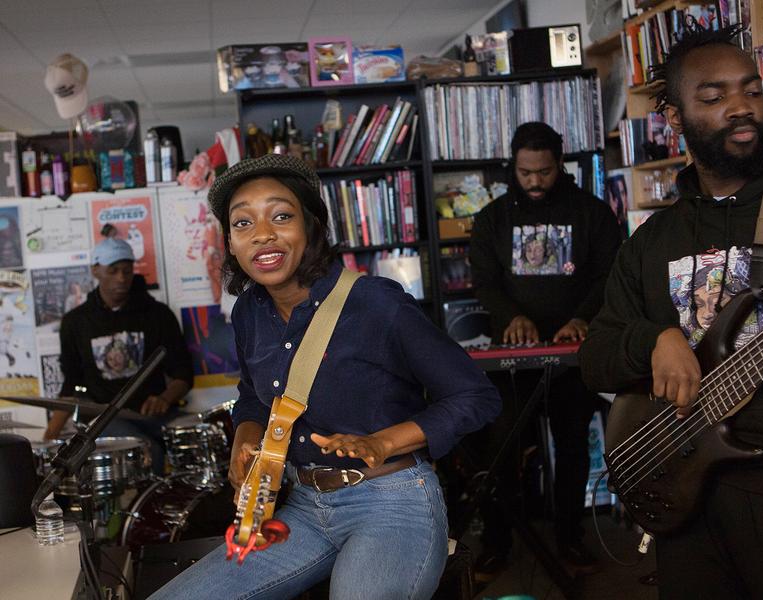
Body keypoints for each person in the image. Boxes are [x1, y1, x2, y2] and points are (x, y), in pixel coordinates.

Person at [148, 154, 501, 600]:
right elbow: (255, 397)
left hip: (392, 503)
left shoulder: (376, 304)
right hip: (302, 508)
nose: (262, 234)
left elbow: (476, 396)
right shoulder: (249, 313)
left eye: (281, 216)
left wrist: (382, 442)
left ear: (312, 226)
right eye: (242, 224)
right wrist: (245, 436)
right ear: (231, 244)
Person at [579, 24, 763, 600]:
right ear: (674, 118)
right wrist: (655, 339)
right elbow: (597, 358)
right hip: (680, 481)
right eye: (714, 96)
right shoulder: (653, 242)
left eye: (752, 90)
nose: (740, 106)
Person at [468, 122, 621, 574]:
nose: (534, 181)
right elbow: (485, 282)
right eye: (525, 172)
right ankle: (497, 542)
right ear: (513, 167)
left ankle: (571, 540)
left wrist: (583, 318)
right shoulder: (491, 219)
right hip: (514, 359)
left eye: (544, 171)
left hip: (573, 354)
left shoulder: (592, 213)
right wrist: (513, 316)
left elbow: (610, 274)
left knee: (573, 447)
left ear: (561, 165)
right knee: (502, 448)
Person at [43, 238, 193, 475]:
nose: (121, 278)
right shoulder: (76, 322)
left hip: (155, 415)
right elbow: (71, 384)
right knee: (148, 450)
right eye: (113, 271)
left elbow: (183, 374)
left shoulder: (158, 314)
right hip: (105, 418)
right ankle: (149, 511)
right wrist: (50, 435)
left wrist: (164, 398)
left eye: (126, 270)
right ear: (95, 270)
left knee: (198, 435)